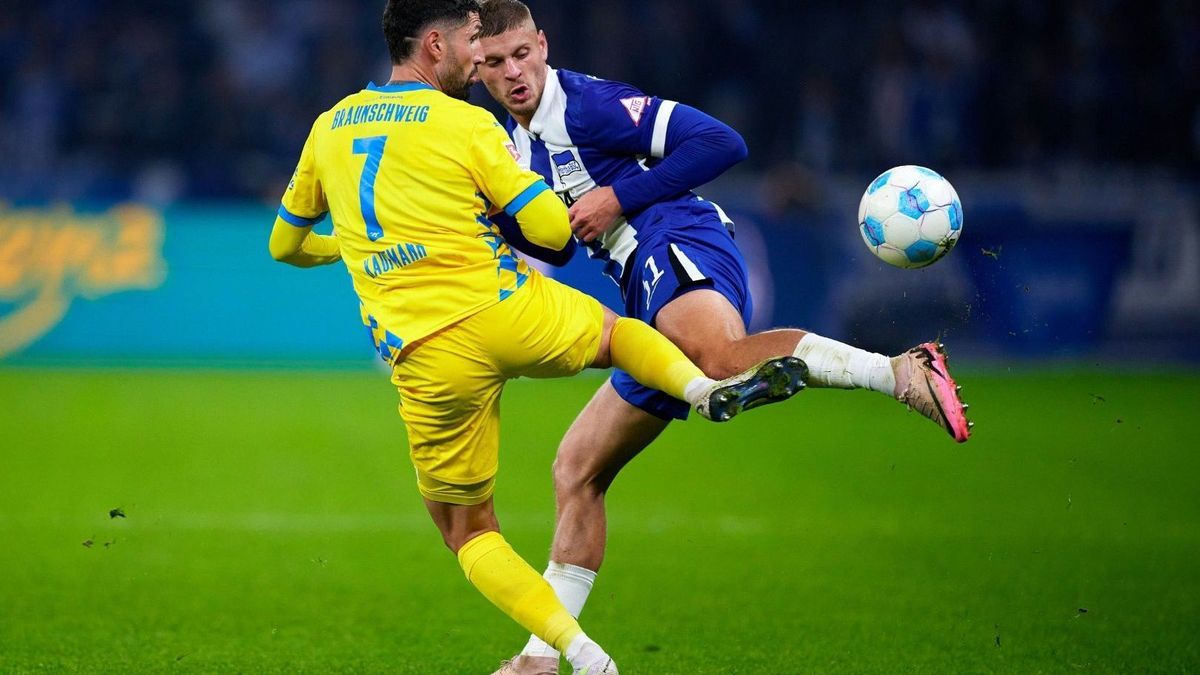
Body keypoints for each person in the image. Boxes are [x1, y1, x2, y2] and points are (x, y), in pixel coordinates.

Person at [267, 1, 806, 673]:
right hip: (504, 312)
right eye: (471, 44)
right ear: (434, 45)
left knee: (468, 531)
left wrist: (349, 246)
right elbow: (552, 234)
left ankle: (575, 653)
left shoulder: (329, 126)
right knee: (622, 335)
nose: (480, 58)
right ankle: (702, 387)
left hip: (422, 356)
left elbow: (284, 243)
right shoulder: (468, 122)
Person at [474, 2, 973, 672]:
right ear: (477, 70)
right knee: (577, 469)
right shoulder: (519, 143)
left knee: (717, 359)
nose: (514, 73)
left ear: (542, 44)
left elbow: (720, 143)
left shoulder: (588, 105)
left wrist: (619, 197)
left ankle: (900, 371)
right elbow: (564, 241)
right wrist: (494, 223)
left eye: (521, 55)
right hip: (640, 285)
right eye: (496, 63)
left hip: (676, 236)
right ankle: (540, 657)